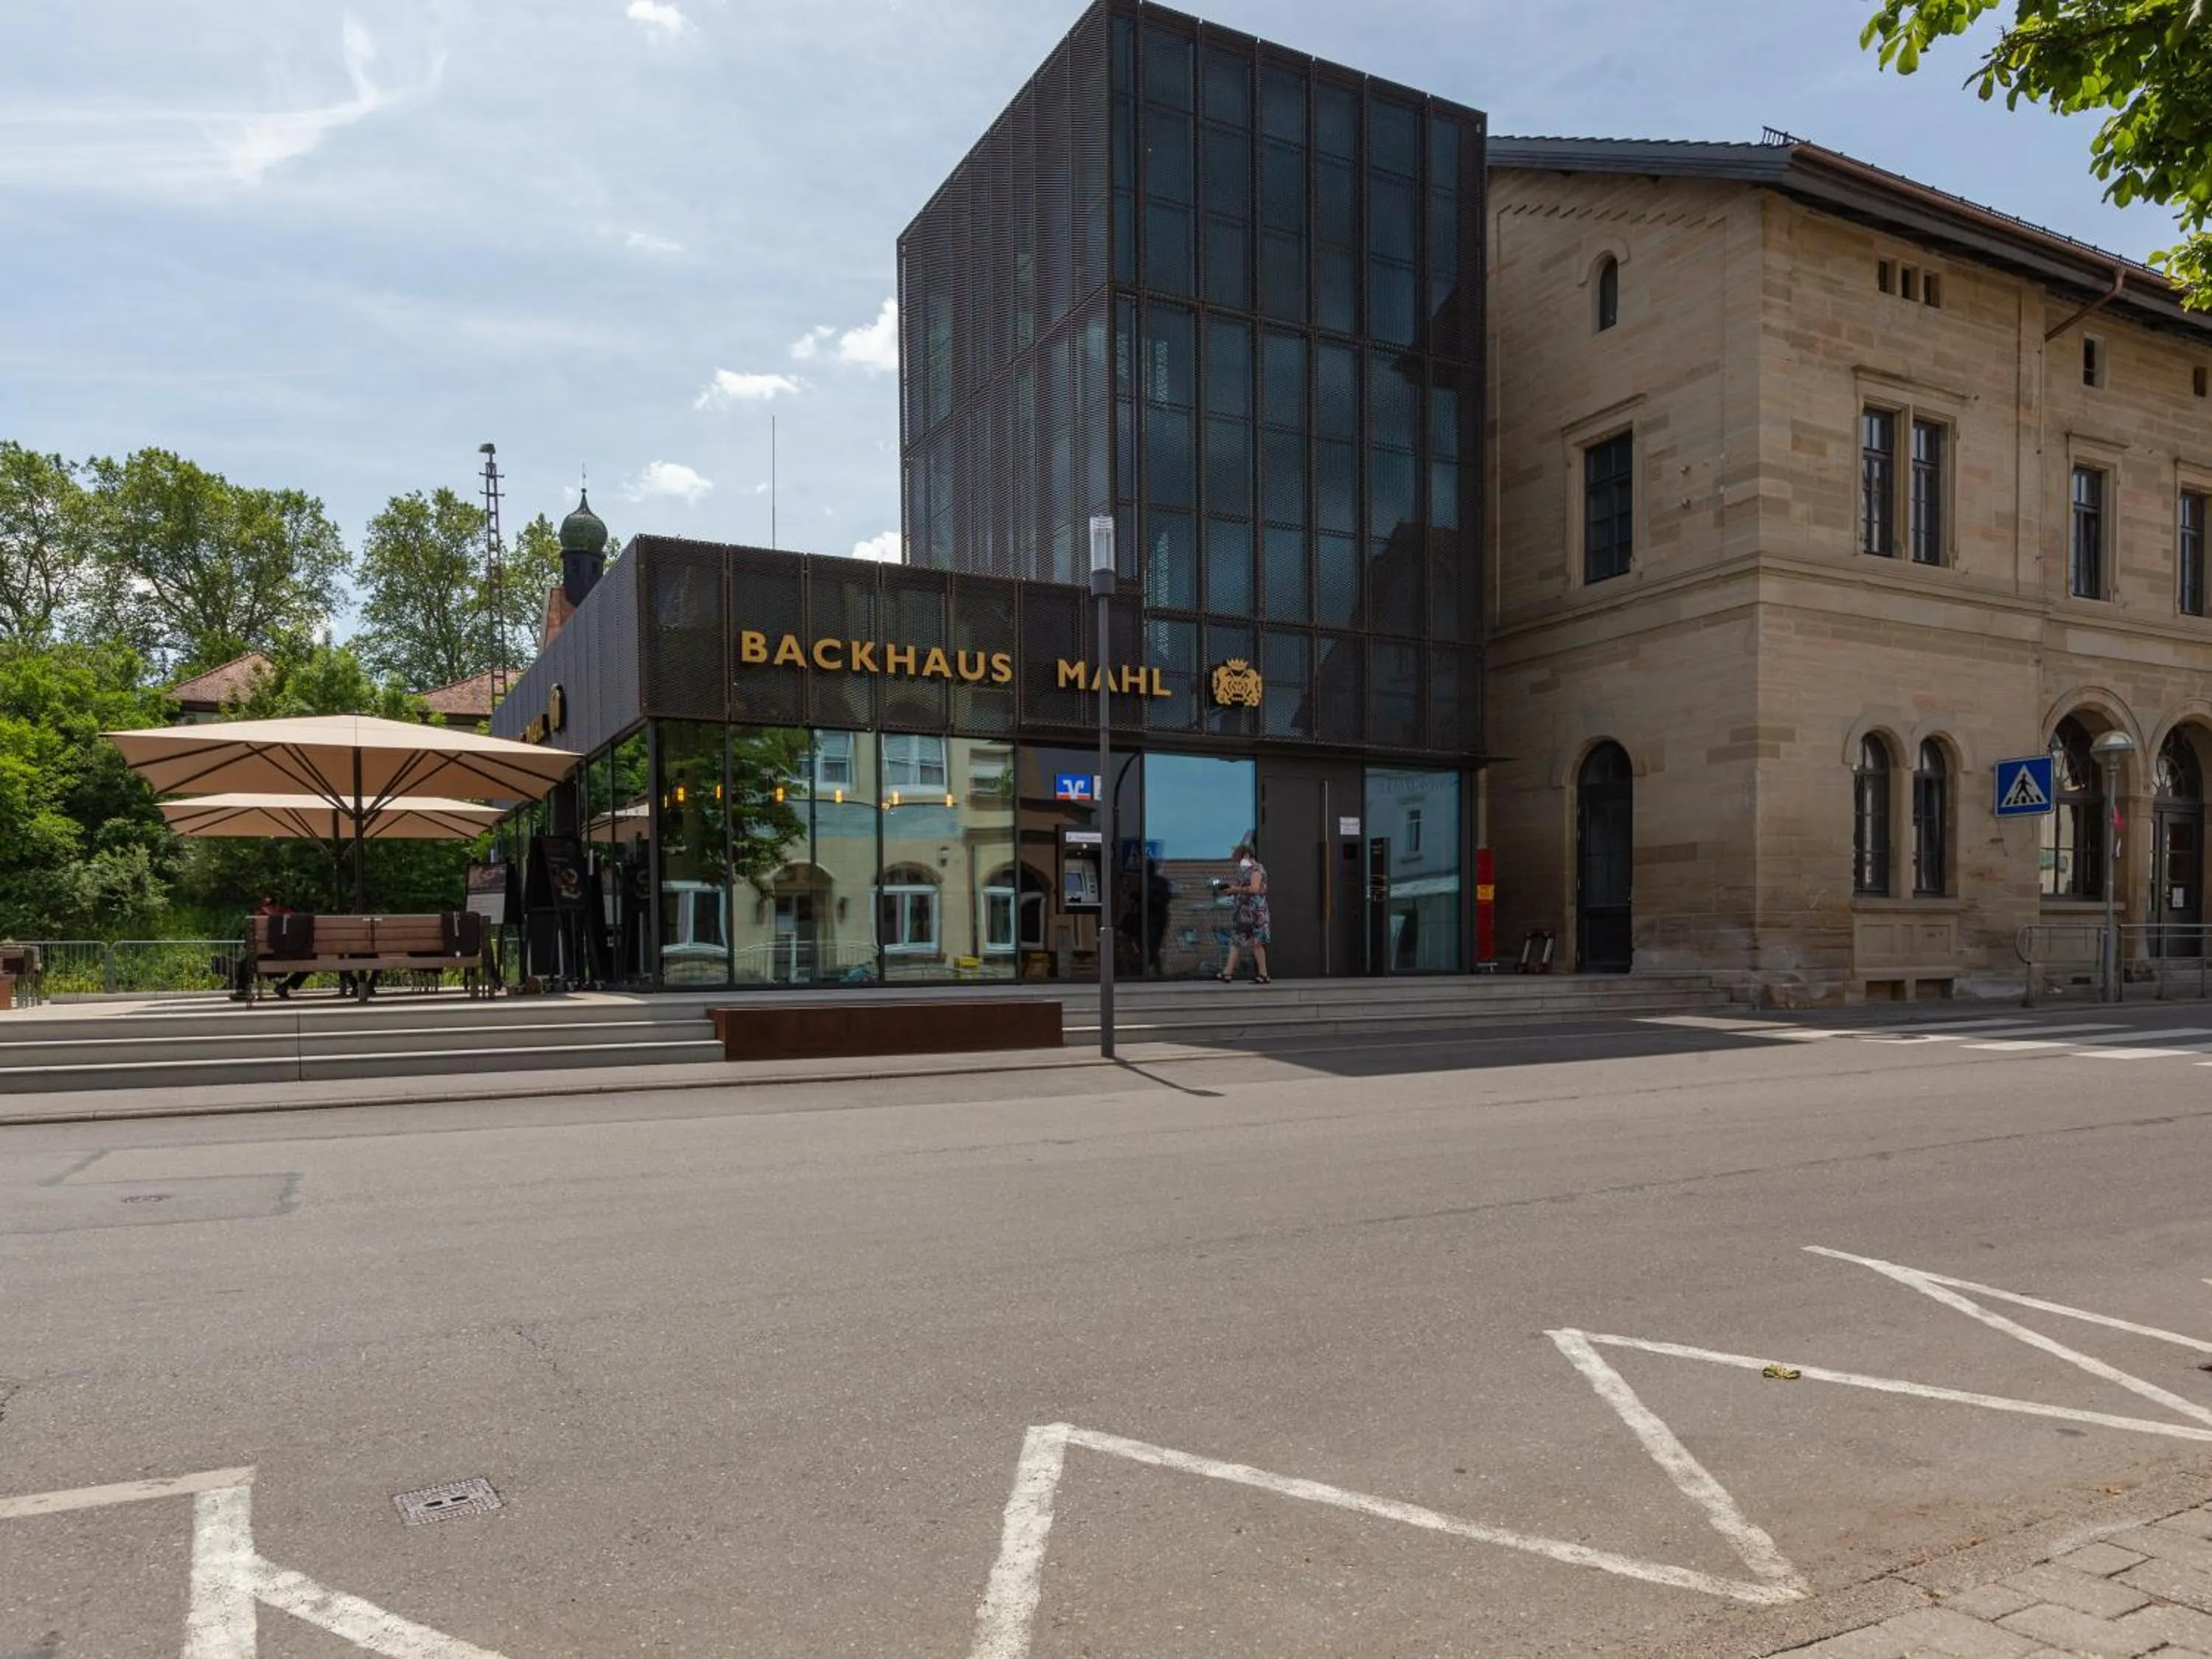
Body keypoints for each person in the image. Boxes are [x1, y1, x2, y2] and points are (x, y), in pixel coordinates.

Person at [1217, 841, 1271, 984]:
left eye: (1239, 859)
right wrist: (1233, 890)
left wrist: (1236, 889)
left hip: (1254, 913)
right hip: (1245, 913)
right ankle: (1228, 972)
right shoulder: (1248, 871)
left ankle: (1263, 974)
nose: (1239, 863)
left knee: (1255, 942)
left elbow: (1254, 889)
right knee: (1238, 941)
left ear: (1246, 856)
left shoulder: (1256, 870)